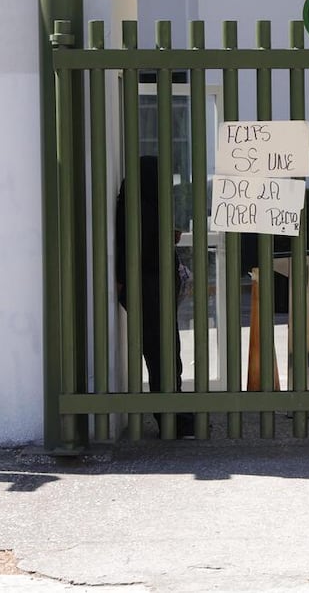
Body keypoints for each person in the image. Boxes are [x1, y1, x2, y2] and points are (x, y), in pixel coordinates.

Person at [115, 156, 194, 439]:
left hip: (152, 291)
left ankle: (175, 415)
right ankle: (171, 419)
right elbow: (137, 248)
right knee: (163, 355)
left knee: (165, 354)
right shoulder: (137, 210)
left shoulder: (138, 206)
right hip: (149, 292)